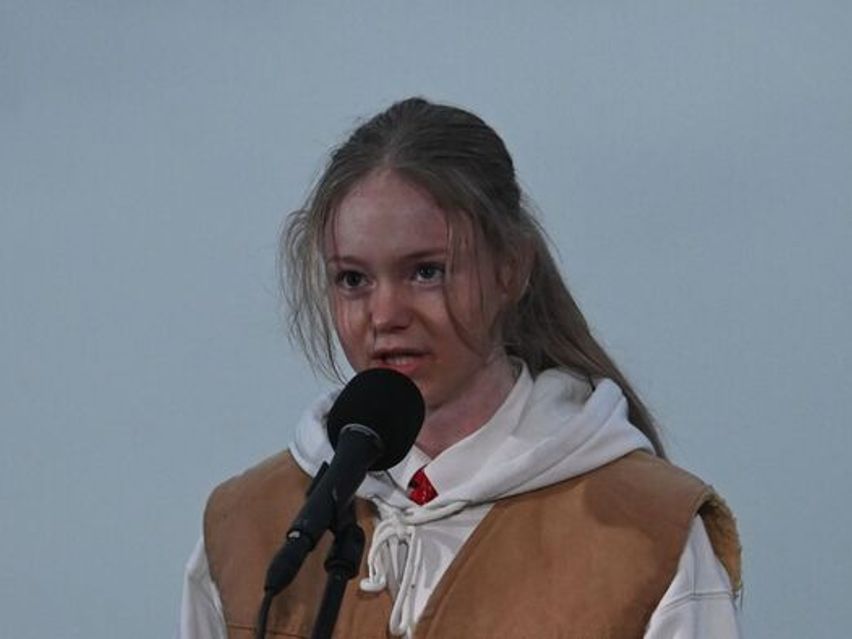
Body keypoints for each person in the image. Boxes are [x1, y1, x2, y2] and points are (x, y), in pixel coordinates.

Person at [178, 97, 742, 638]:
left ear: (510, 270)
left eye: (427, 271)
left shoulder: (644, 531)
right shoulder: (247, 528)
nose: (385, 314)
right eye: (353, 279)